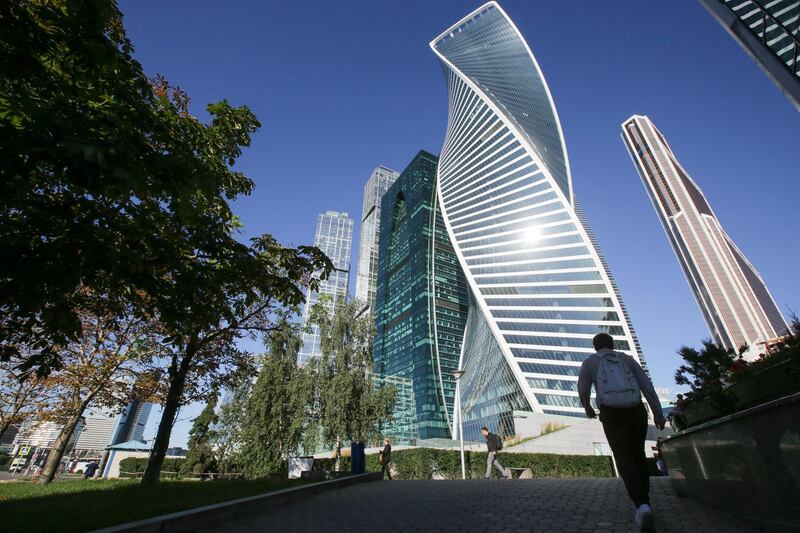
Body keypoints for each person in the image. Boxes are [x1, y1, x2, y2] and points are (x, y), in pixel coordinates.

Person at [578, 333, 666, 531]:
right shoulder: (627, 359)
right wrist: (658, 414)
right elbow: (647, 387)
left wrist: (588, 408)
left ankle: (640, 504)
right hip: (636, 411)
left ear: (595, 347)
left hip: (611, 413)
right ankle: (646, 502)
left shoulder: (590, 363)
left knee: (623, 456)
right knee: (638, 454)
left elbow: (583, 390)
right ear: (612, 344)